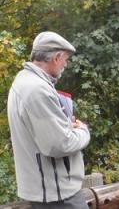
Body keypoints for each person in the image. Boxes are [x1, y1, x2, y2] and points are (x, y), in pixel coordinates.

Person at [7, 31, 90, 208]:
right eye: (65, 59)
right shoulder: (38, 90)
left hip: (46, 190)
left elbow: (41, 133)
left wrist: (64, 124)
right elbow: (59, 145)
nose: (65, 65)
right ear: (56, 57)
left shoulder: (23, 81)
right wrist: (83, 131)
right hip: (57, 194)